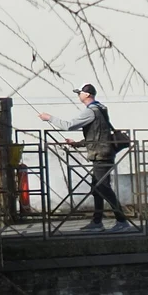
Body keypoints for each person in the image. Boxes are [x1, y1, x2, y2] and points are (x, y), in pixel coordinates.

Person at [36, 84, 130, 231]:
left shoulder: (91, 111)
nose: (78, 95)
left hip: (101, 155)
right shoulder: (101, 108)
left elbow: (68, 125)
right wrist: (78, 144)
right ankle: (97, 222)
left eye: (80, 93)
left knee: (103, 188)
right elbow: (98, 134)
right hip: (104, 152)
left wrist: (49, 118)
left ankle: (122, 221)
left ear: (87, 95)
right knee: (97, 188)